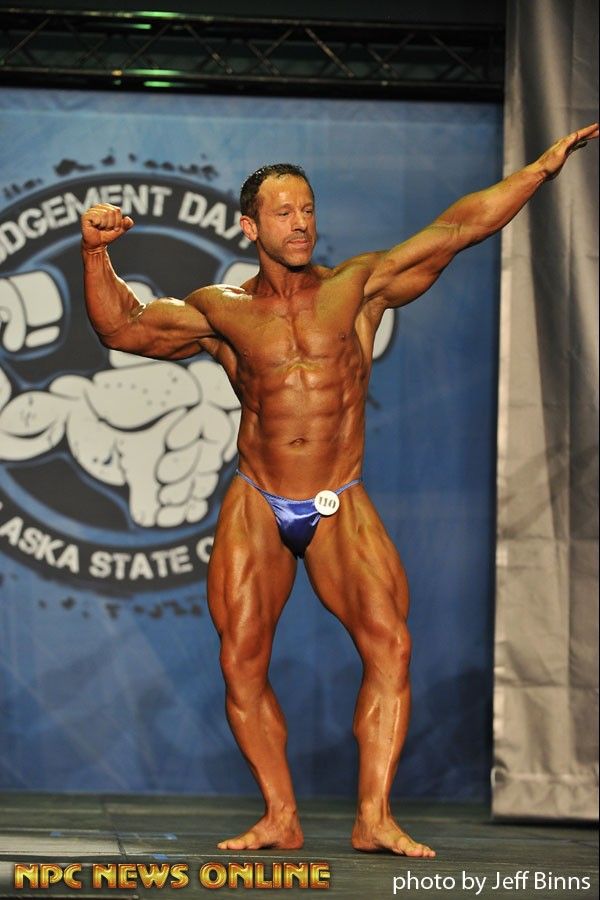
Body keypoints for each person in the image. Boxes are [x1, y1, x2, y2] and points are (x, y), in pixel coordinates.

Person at [81, 123, 598, 857]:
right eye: (284, 212)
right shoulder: (221, 310)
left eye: (308, 209)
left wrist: (539, 170)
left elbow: (459, 228)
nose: (300, 223)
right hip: (259, 499)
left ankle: (374, 816)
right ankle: (280, 816)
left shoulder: (357, 287)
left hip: (336, 499)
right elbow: (123, 329)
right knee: (241, 662)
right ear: (250, 226)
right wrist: (95, 252)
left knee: (391, 645)